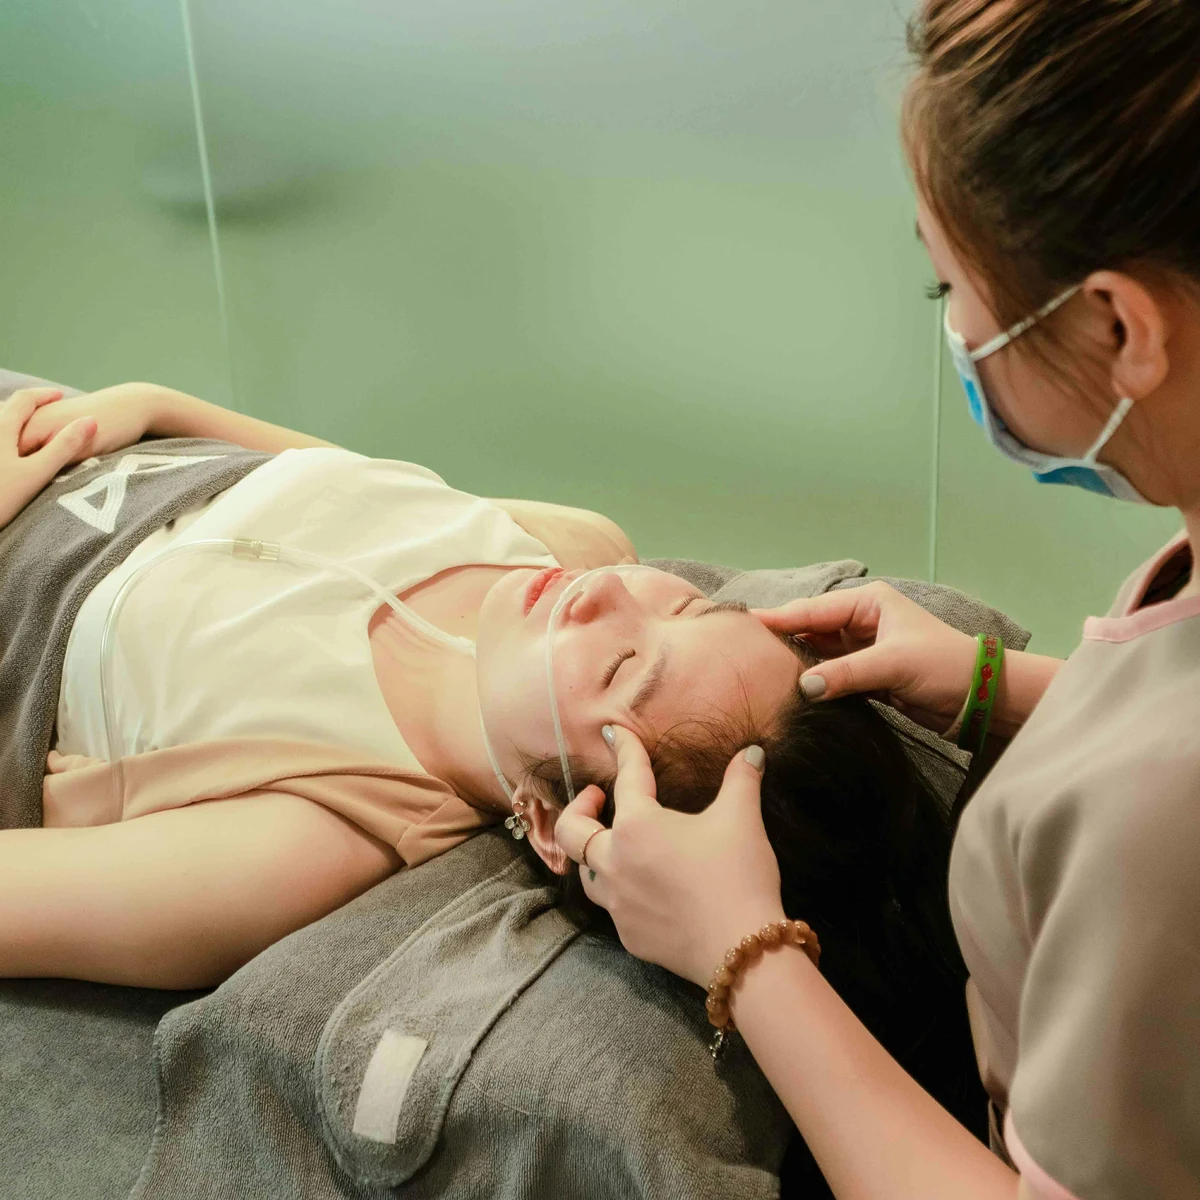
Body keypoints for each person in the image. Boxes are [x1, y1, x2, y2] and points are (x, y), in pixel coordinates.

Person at [555, 4, 1200, 1198]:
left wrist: (745, 956)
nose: (957, 329)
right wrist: (1006, 688)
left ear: (1119, 323)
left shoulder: (1157, 817)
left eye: (945, 286)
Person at [0, 376, 983, 1148]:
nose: (604, 596)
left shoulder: (309, 830)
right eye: (686, 606)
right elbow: (334, 479)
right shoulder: (570, 543)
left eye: (628, 670)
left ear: (558, 821)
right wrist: (150, 406)